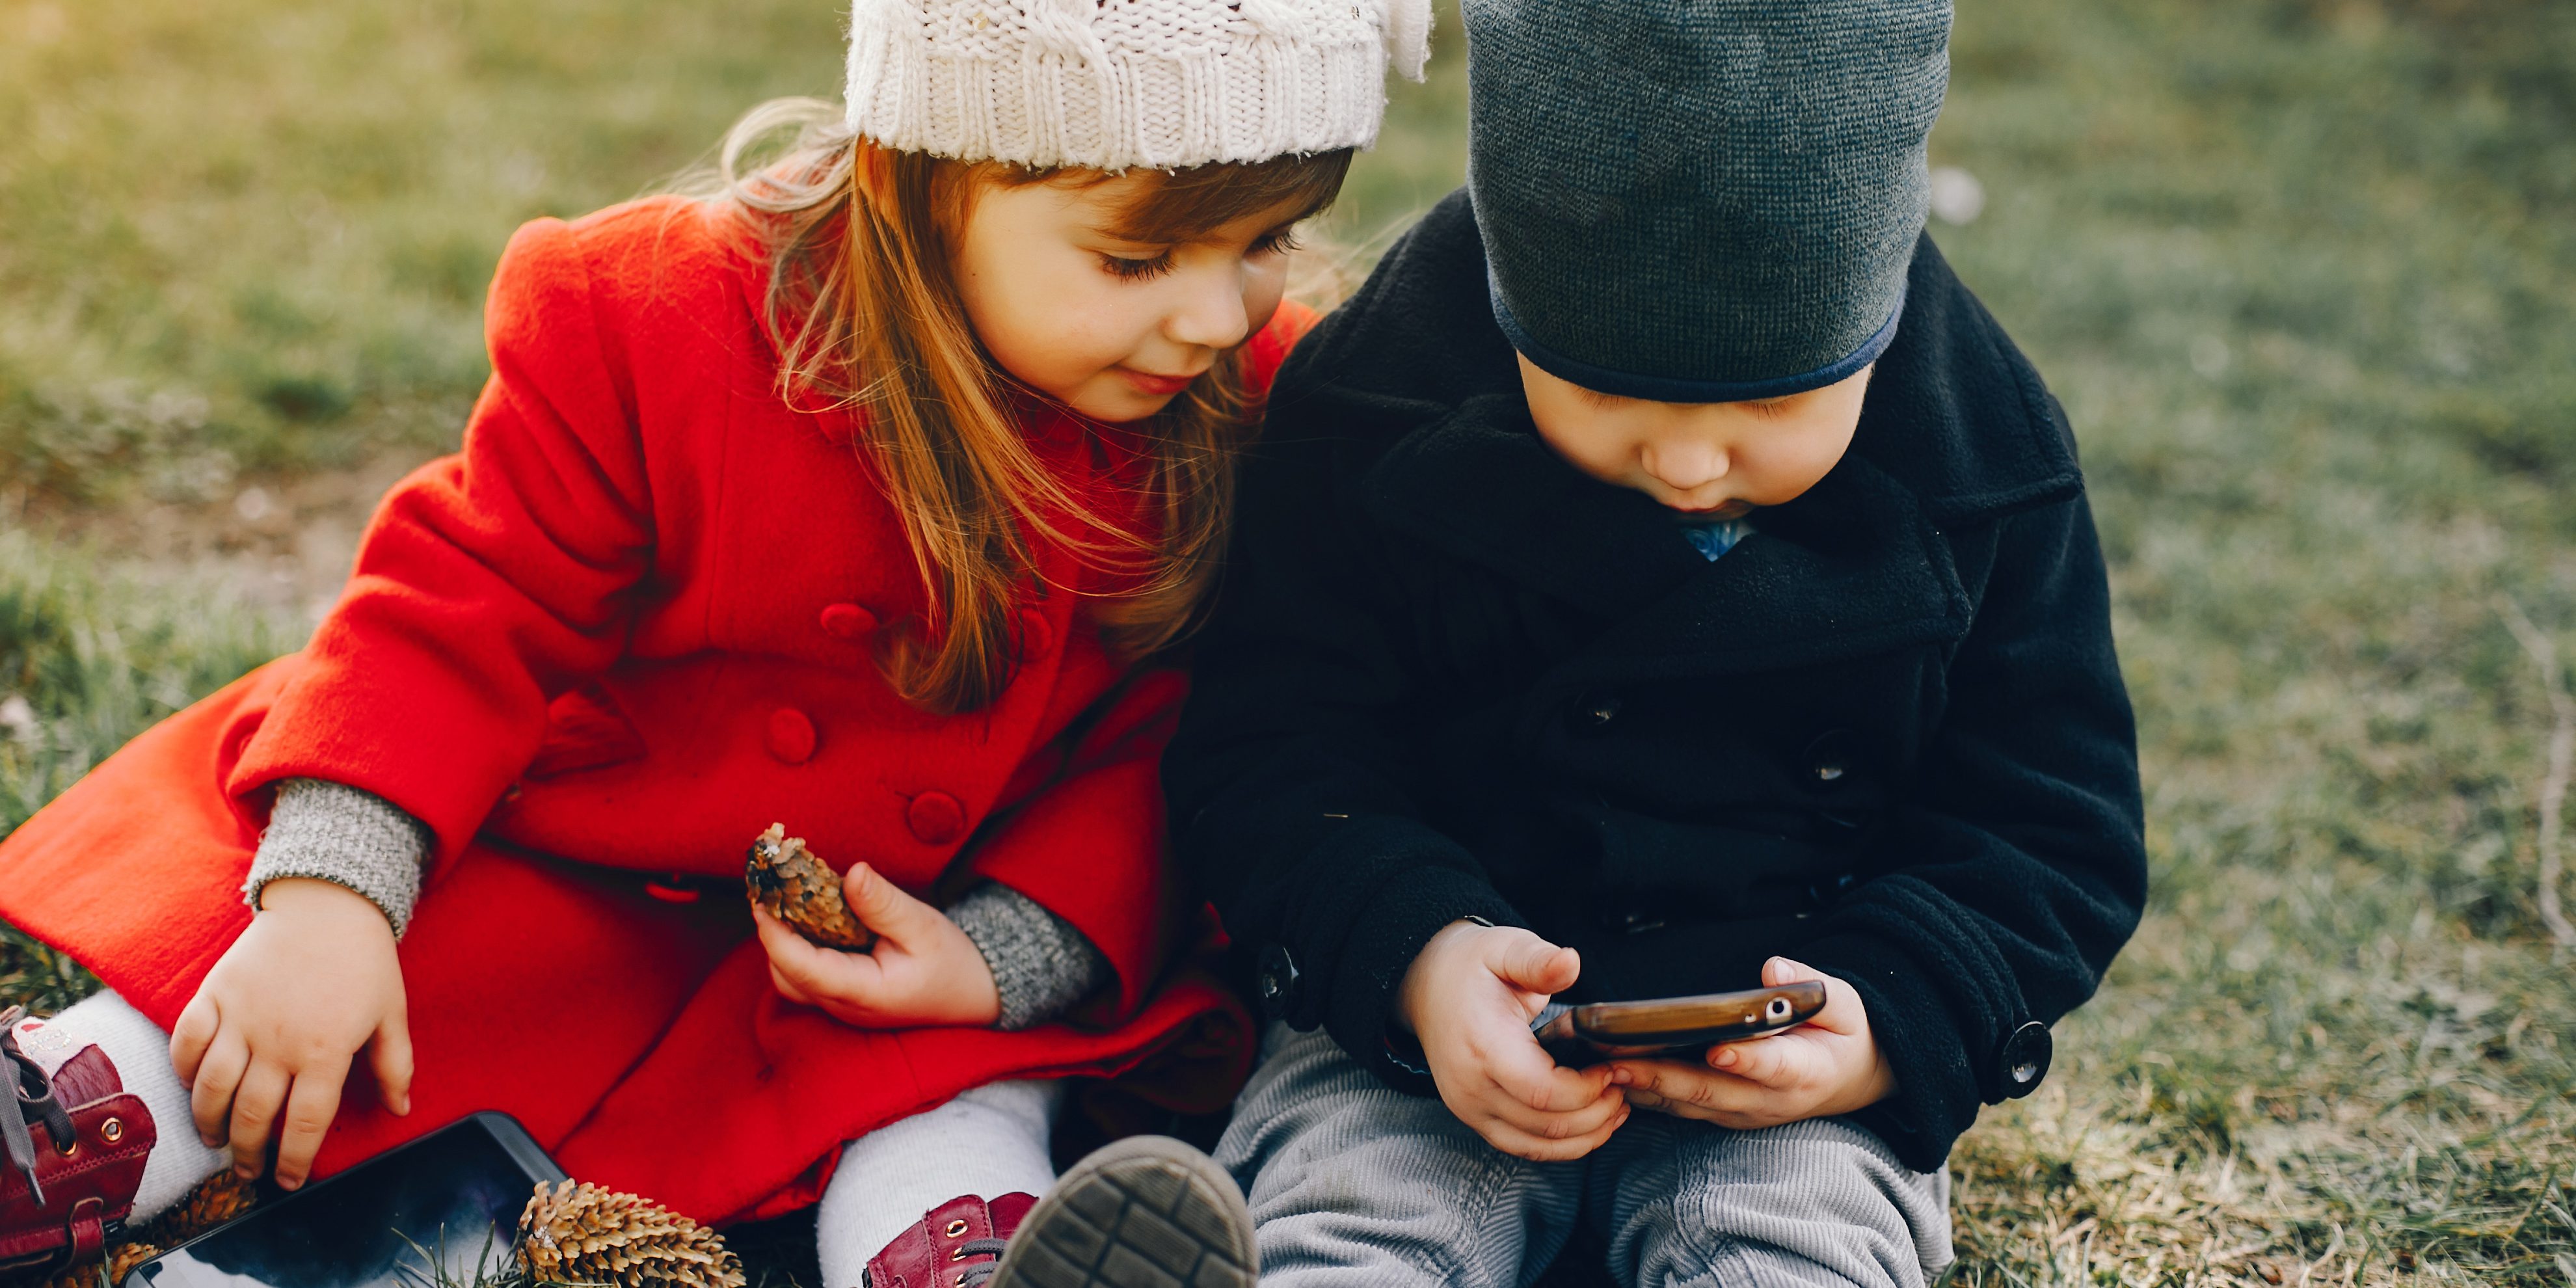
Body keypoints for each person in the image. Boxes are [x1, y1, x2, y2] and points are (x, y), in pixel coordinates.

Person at [0, 0, 1432, 1282]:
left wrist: (999, 960)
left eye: (1262, 244)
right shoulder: (659, 325)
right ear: (919, 185)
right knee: (283, 1012)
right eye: (1139, 256)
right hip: (569, 855)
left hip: (920, 939)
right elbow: (462, 608)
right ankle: (66, 1124)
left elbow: (1176, 737)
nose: (1207, 310)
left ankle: (972, 1251)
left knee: (947, 1098)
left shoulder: (1249, 411)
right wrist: (332, 901)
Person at [1161, 0, 2150, 1284]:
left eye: (1776, 398)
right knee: (1357, 1221)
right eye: (1604, 389)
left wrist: (1879, 1028)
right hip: (1425, 1046)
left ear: (1884, 299)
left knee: (1793, 1248)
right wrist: (1417, 959)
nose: (1686, 461)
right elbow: (1275, 747)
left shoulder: (1987, 463)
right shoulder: (1371, 408)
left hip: (1790, 1066)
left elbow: (2050, 825)